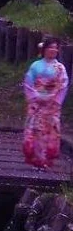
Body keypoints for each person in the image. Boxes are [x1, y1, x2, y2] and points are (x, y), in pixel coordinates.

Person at [23, 37, 69, 170]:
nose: (53, 50)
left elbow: (64, 85)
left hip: (52, 104)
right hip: (36, 103)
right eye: (50, 47)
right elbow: (28, 82)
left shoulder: (60, 68)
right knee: (35, 130)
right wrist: (34, 96)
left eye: (56, 47)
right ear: (44, 49)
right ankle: (35, 160)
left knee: (50, 131)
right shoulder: (36, 65)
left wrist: (55, 99)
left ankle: (46, 160)